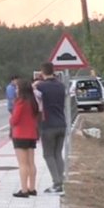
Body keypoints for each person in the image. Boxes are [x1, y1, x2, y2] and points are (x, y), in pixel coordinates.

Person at [34, 61, 67, 194]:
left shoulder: (41, 87)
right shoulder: (61, 85)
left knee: (48, 155)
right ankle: (60, 182)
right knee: (58, 153)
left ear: (42, 72)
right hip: (61, 124)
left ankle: (57, 184)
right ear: (53, 71)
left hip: (48, 125)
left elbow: (34, 96)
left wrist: (34, 85)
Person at [10, 78, 40, 197]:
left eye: (17, 88)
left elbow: (15, 120)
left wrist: (11, 120)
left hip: (20, 134)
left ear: (21, 89)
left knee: (22, 164)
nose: (16, 90)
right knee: (31, 162)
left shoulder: (20, 101)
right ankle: (32, 188)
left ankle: (24, 190)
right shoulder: (33, 101)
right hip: (31, 134)